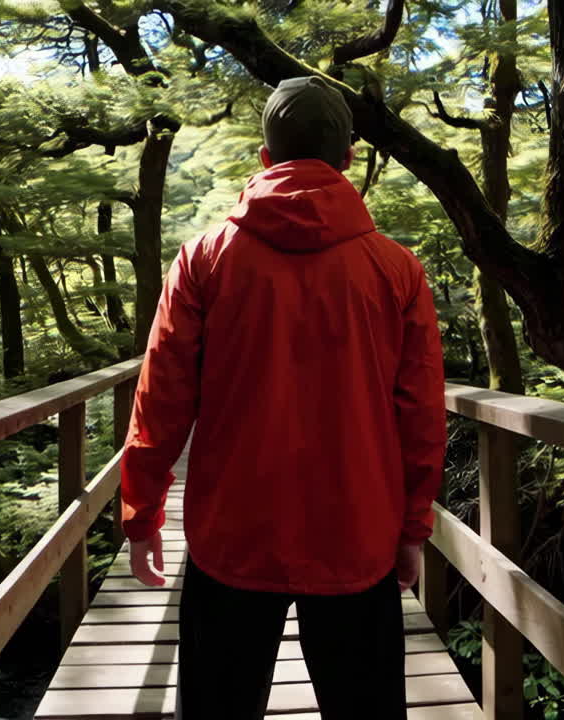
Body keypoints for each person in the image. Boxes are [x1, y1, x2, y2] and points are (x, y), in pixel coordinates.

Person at [119, 75, 447, 720]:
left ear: (265, 158)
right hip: (358, 529)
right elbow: (421, 414)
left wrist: (142, 514)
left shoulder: (204, 258)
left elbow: (161, 396)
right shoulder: (396, 269)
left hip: (233, 534)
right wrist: (413, 527)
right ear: (349, 156)